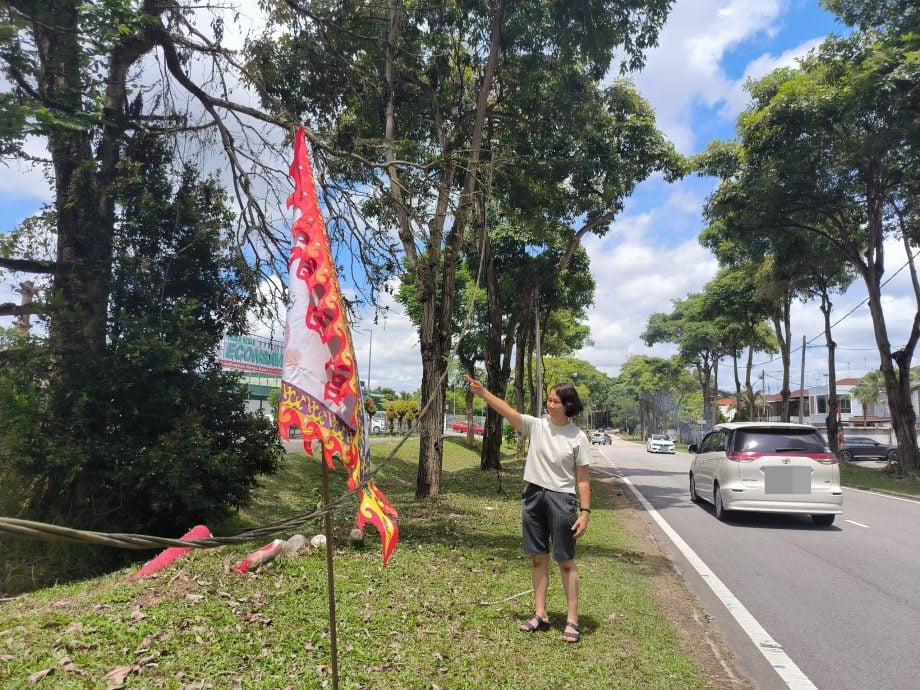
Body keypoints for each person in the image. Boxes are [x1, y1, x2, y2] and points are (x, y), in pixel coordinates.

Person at [464, 374, 592, 643]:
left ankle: (572, 620)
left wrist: (585, 513)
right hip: (533, 495)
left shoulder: (578, 437)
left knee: (565, 561)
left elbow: (582, 479)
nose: (550, 405)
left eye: (555, 401)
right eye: (548, 400)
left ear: (568, 405)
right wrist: (483, 393)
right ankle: (540, 613)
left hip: (562, 499)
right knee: (537, 557)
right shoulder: (537, 426)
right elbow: (507, 410)